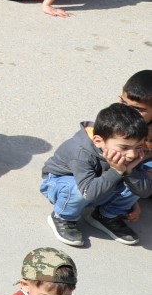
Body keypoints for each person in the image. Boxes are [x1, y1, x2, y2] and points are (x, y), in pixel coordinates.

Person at [40, 103, 150, 248]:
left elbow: (145, 191)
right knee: (76, 189)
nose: (132, 154)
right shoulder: (80, 152)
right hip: (61, 183)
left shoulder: (129, 155)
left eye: (138, 147)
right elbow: (88, 192)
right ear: (98, 141)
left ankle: (105, 216)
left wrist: (129, 171)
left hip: (100, 185)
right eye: (124, 147)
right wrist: (117, 171)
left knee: (137, 181)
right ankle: (63, 217)